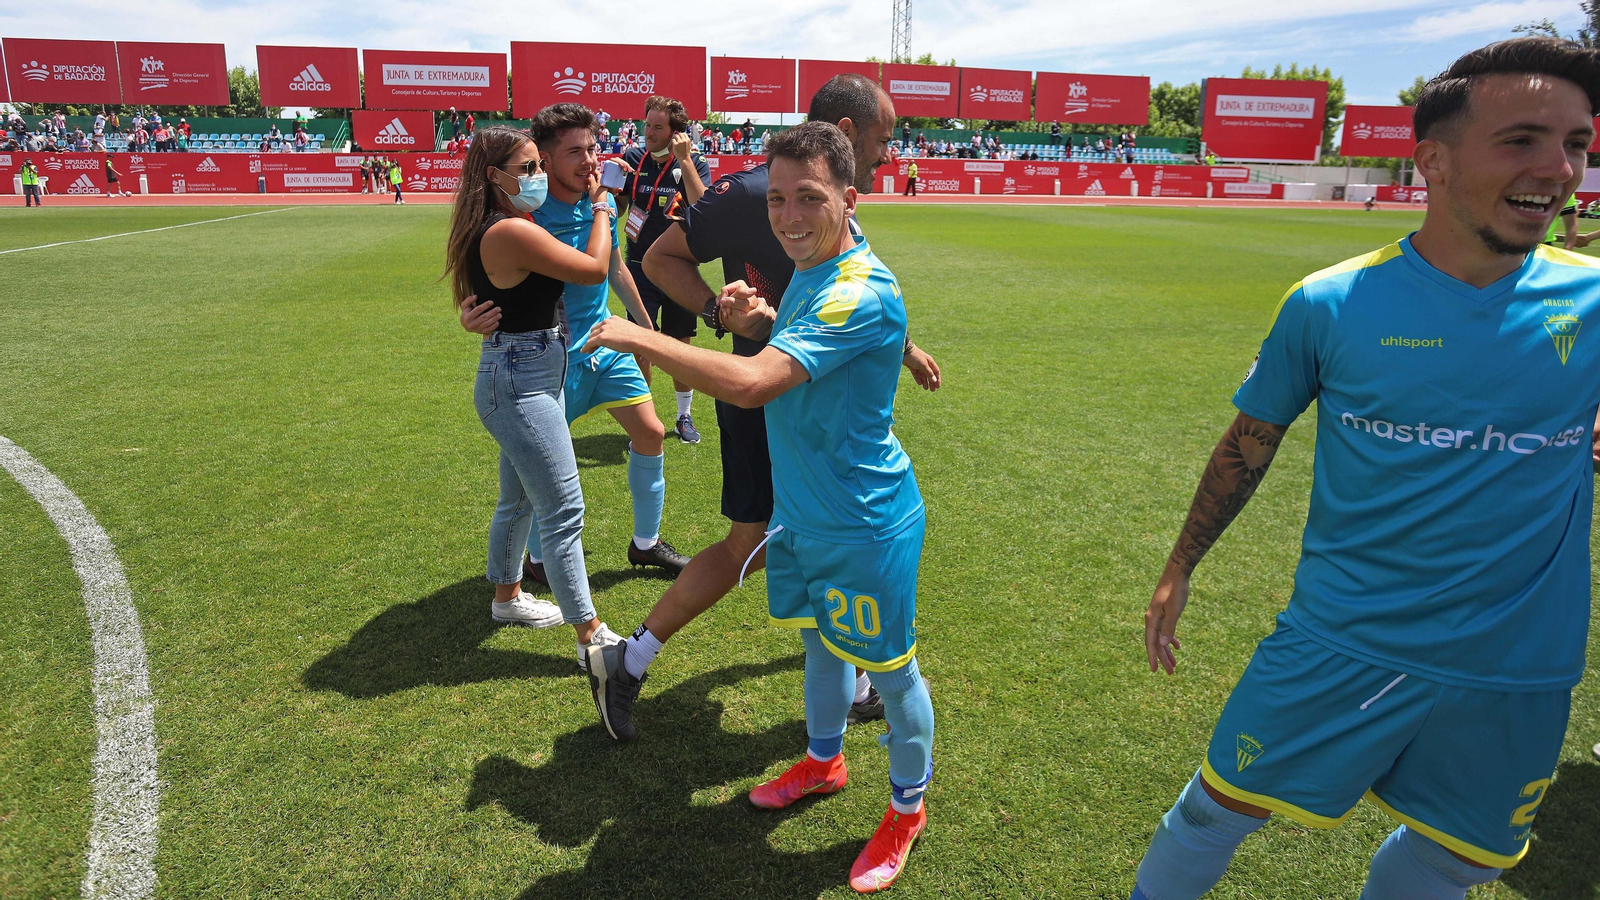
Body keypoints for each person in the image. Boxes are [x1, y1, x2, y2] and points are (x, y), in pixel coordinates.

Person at [1130, 37, 1600, 900]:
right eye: (1522, 139)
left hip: (1520, 665)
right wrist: (1180, 566)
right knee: (1214, 811)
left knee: (1458, 860)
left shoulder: (1594, 300)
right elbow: (1248, 442)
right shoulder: (1330, 302)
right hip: (1343, 638)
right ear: (1434, 160)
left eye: (1575, 143)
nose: (1558, 168)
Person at [587, 121, 934, 895]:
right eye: (777, 199)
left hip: (864, 525)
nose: (788, 216)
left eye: (809, 198)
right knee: (822, 649)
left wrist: (639, 337)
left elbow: (753, 385)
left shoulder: (857, 288)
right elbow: (796, 346)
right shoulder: (813, 267)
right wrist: (757, 323)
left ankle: (906, 812)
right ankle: (823, 762)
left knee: (893, 675)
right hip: (804, 516)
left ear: (850, 199)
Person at [464, 103, 691, 593]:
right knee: (541, 472)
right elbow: (488, 270)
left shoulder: (596, 201)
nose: (589, 161)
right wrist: (470, 314)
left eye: (591, 148)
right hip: (554, 357)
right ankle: (538, 560)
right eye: (575, 152)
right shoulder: (525, 214)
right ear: (543, 160)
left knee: (652, 431)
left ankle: (646, 543)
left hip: (605, 341)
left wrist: (645, 330)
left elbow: (615, 269)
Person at [443, 125, 626, 677]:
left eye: (538, 166)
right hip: (520, 381)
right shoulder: (508, 230)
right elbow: (593, 269)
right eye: (527, 169)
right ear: (494, 177)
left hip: (530, 371)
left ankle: (507, 597)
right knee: (563, 510)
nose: (538, 176)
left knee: (519, 498)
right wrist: (603, 207)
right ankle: (591, 635)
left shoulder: (506, 223)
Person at [619, 95, 712, 443]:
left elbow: (704, 207)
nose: (649, 133)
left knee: (679, 343)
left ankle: (683, 415)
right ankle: (645, 420)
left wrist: (684, 160)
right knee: (640, 343)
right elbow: (620, 206)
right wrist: (610, 183)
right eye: (647, 125)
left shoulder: (694, 162)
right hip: (637, 267)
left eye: (657, 127)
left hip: (678, 268)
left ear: (676, 133)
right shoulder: (633, 159)